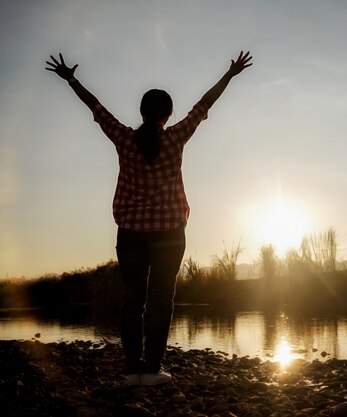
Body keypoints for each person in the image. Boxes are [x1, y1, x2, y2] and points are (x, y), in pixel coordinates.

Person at [45, 51, 252, 386]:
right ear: (168, 115)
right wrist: (230, 74)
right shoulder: (175, 137)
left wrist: (71, 79)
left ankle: (132, 369)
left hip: (130, 232)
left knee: (133, 301)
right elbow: (203, 104)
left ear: (142, 112)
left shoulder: (125, 139)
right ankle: (153, 370)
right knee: (160, 300)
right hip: (170, 231)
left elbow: (96, 108)